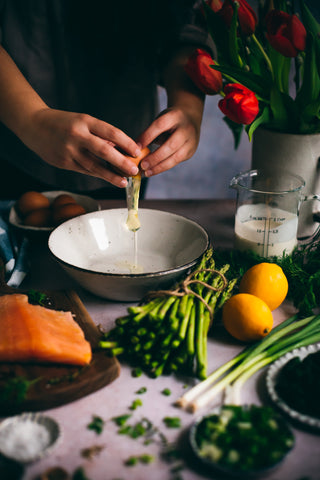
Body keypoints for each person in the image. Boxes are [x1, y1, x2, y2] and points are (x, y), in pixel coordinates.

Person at [0, 1, 213, 200]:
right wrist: (32, 120)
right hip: (16, 140)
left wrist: (188, 108)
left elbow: (188, 23)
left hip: (128, 137)